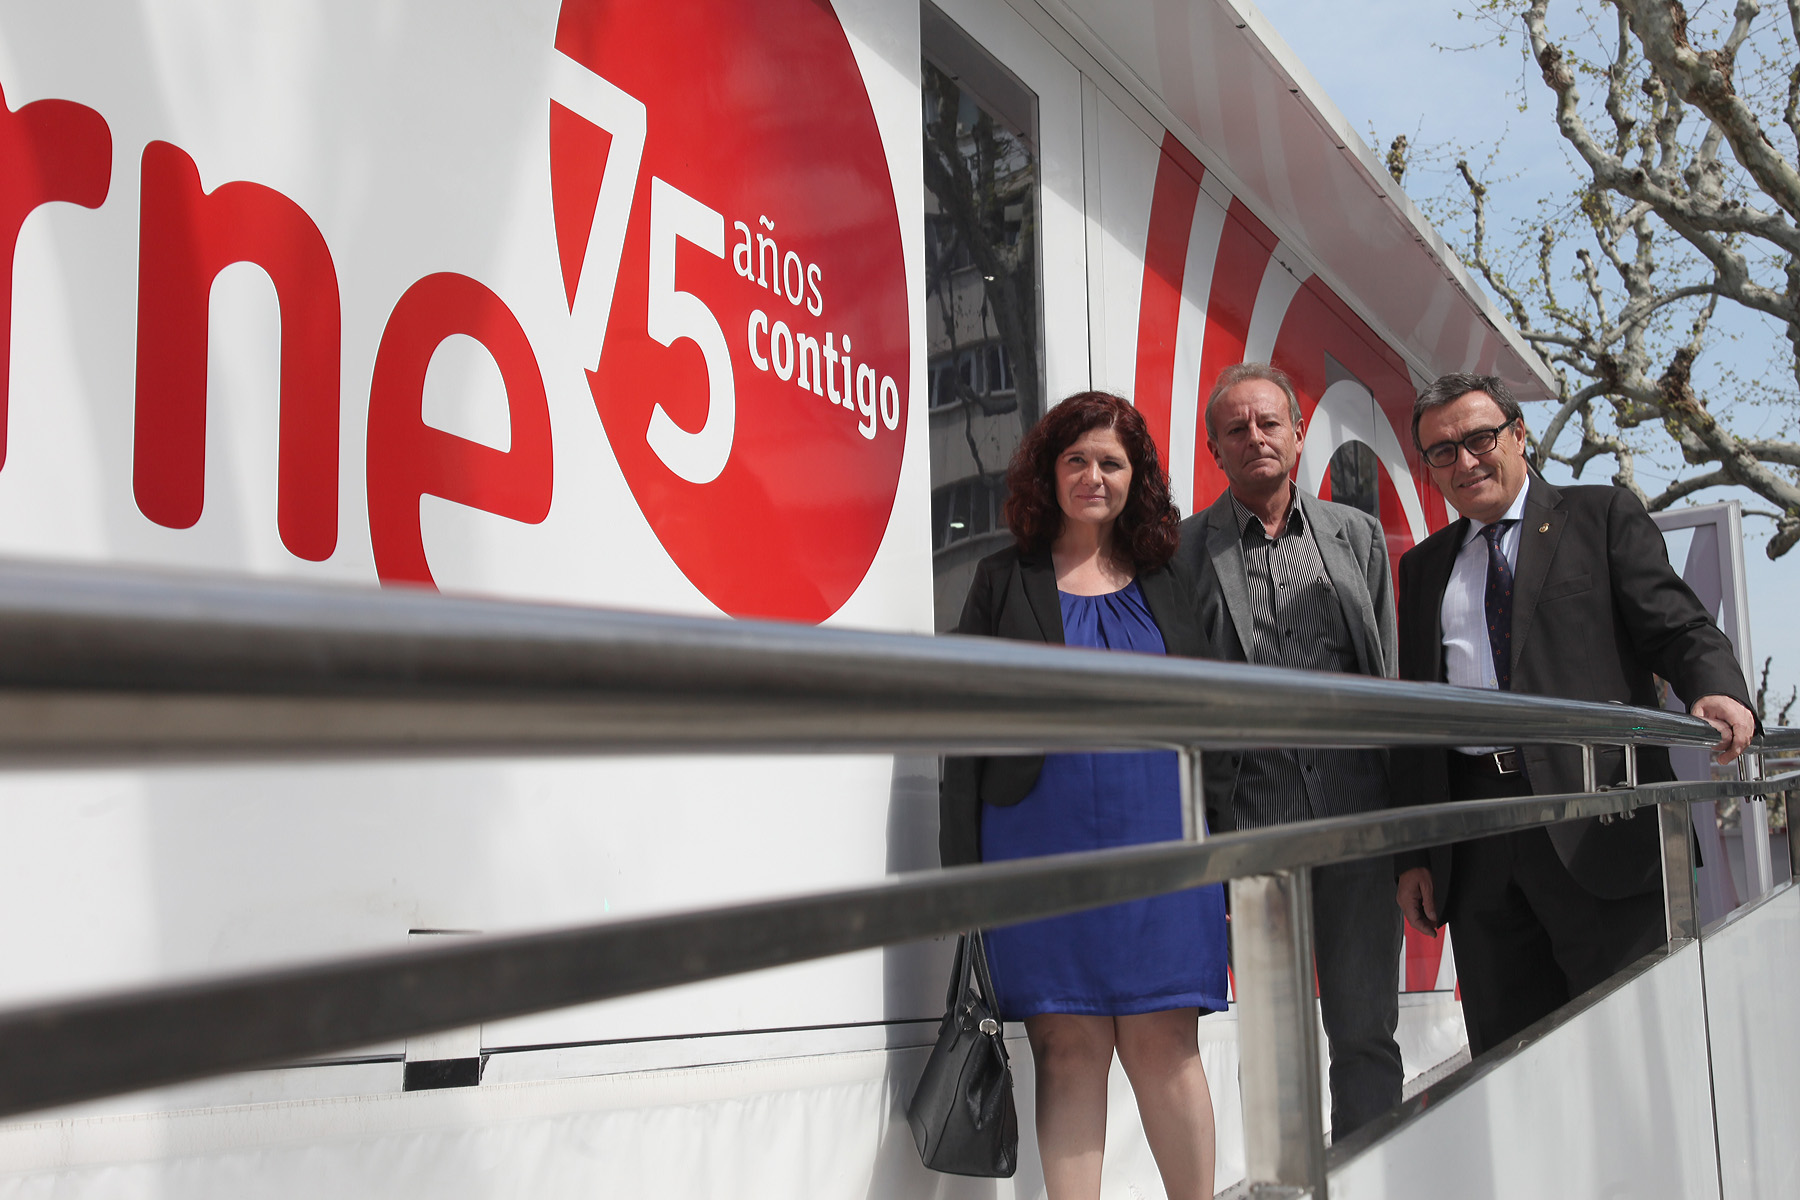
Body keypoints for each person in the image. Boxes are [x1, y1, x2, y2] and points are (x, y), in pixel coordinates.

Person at [1393, 373, 1756, 1057]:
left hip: (1599, 823)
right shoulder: (1424, 567)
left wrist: (1715, 688)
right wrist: (1414, 854)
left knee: (1634, 1049)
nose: (1464, 461)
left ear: (1518, 435)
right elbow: (1418, 716)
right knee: (1512, 1061)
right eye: (1442, 451)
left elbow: (1676, 626)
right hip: (1477, 845)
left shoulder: (1600, 516)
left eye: (1479, 439)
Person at [940, 391, 1227, 1200]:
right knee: (1065, 1049)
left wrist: (1229, 841)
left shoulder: (1173, 579)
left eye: (1111, 462)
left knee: (1165, 1041)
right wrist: (959, 873)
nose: (1093, 476)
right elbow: (963, 725)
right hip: (1037, 843)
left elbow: (1220, 712)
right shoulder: (1003, 580)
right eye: (1076, 460)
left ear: (1136, 478)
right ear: (1049, 471)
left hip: (1166, 842)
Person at [1173, 362, 1404, 1138]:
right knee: (1273, 1043)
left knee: (1365, 1032)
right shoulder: (1184, 551)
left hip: (1356, 819)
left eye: (1270, 423)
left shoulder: (1356, 536)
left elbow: (1386, 674)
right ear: (1214, 449)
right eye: (1236, 429)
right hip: (1252, 828)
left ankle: (1374, 1177)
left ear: (1300, 436)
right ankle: (1287, 1186)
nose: (1255, 437)